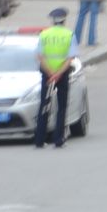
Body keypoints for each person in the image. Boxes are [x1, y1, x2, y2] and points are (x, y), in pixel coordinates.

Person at [32, 8, 76, 149]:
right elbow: (70, 58)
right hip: (62, 75)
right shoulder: (69, 34)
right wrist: (58, 74)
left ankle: (39, 139)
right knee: (61, 107)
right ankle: (58, 139)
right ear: (64, 20)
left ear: (52, 20)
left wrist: (51, 74)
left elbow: (40, 56)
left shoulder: (44, 34)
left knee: (44, 106)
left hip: (47, 74)